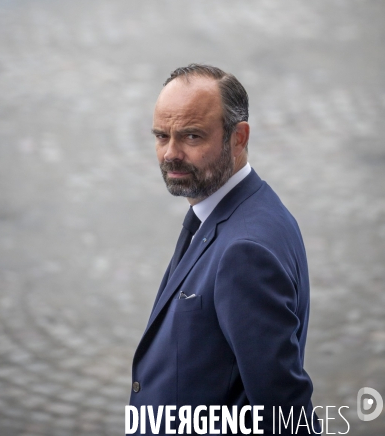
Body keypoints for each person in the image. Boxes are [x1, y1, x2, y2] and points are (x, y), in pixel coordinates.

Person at [129, 64, 319, 435]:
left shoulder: (245, 252)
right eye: (161, 136)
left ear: (239, 138)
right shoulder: (241, 209)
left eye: (192, 136)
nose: (171, 153)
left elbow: (285, 411)